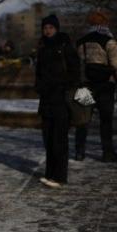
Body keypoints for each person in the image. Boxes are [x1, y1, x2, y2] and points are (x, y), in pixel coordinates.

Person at [35, 14, 80, 188]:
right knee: (48, 138)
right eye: (45, 28)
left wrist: (63, 84)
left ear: (56, 28)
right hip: (46, 98)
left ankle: (59, 176)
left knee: (59, 139)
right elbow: (39, 71)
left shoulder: (65, 45)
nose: (47, 31)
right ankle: (50, 173)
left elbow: (76, 70)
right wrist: (39, 86)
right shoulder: (42, 46)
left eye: (50, 28)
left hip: (61, 98)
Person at [74, 10, 117, 162]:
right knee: (106, 120)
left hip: (85, 85)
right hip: (105, 86)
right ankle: (107, 153)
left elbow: (77, 64)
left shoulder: (81, 41)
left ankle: (79, 151)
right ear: (104, 23)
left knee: (83, 119)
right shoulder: (109, 40)